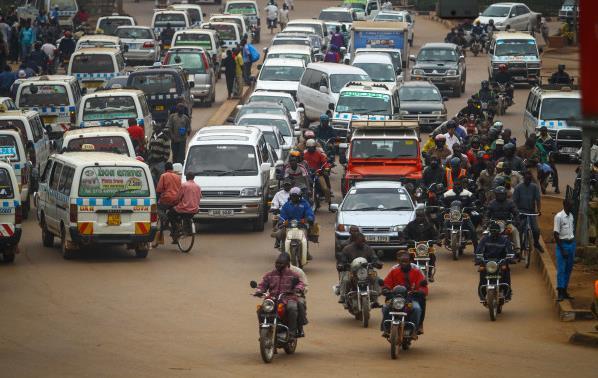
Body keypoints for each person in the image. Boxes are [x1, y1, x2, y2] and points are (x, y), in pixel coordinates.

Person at [254, 253, 305, 339]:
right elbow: (262, 285)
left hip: (288, 298)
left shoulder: (293, 275)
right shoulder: (269, 275)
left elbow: (300, 283)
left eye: (281, 263)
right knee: (261, 310)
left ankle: (292, 333)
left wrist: (298, 289)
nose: (278, 265)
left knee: (292, 308)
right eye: (277, 263)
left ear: (287, 264)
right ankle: (262, 333)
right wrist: (259, 291)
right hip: (273, 299)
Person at [381, 251, 427, 335]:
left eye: (406, 261)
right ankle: (386, 328)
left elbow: (423, 286)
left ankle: (413, 329)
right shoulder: (394, 272)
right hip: (396, 298)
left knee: (417, 309)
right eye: (402, 261)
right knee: (385, 308)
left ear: (410, 261)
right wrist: (385, 289)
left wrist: (420, 291)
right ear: (399, 262)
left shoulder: (416, 272)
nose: (404, 263)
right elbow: (386, 283)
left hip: (411, 298)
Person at [336, 233, 382, 304]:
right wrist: (342, 264)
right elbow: (342, 260)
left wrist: (377, 263)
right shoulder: (347, 249)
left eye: (362, 241)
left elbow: (374, 258)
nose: (361, 242)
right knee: (345, 278)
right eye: (358, 241)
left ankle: (375, 298)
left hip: (366, 271)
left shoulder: (368, 249)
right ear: (354, 241)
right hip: (351, 271)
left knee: (376, 277)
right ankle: (342, 296)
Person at [475, 221, 513, 300]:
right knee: (482, 274)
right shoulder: (485, 239)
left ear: (499, 231)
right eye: (492, 231)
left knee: (506, 271)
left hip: (500, 261)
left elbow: (510, 252)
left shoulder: (505, 240)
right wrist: (478, 259)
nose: (494, 233)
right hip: (487, 262)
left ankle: (507, 293)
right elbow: (478, 251)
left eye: (496, 231)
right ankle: (482, 295)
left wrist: (509, 258)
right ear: (490, 231)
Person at [401, 206, 439, 281]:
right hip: (413, 247)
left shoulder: (430, 225)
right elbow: (405, 233)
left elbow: (435, 234)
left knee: (432, 256)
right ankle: (406, 273)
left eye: (421, 216)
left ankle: (430, 273)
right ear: (416, 216)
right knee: (406, 258)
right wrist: (404, 239)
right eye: (418, 216)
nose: (420, 218)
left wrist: (437, 240)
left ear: (424, 216)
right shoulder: (410, 225)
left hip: (426, 248)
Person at [513, 170, 544, 252]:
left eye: (529, 179)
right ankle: (518, 248)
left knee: (536, 230)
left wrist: (539, 210)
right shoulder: (518, 187)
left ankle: (536, 243)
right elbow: (514, 202)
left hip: (531, 212)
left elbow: (538, 200)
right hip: (521, 211)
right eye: (526, 179)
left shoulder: (534, 187)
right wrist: (517, 212)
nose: (528, 180)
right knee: (520, 228)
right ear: (523, 178)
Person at [275, 187, 315, 252]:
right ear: (290, 196)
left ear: (300, 196)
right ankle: (282, 248)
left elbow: (309, 212)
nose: (294, 198)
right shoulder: (286, 205)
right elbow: (283, 215)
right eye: (292, 196)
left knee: (305, 236)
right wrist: (281, 221)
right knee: (280, 233)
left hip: (301, 225)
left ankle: (306, 252)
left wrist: (309, 218)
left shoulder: (305, 204)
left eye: (296, 196)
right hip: (288, 225)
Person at [443, 180, 478, 249]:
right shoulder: (447, 194)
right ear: (453, 185)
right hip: (452, 215)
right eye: (455, 184)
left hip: (464, 215)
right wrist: (444, 207)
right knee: (444, 225)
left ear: (462, 185)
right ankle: (446, 239)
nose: (457, 186)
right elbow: (441, 201)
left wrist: (472, 206)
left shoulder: (468, 193)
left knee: (473, 230)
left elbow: (473, 201)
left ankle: (476, 249)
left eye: (459, 184)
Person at [487, 186, 520, 254]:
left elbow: (515, 212)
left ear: (505, 194)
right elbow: (487, 214)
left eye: (502, 194)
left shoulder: (510, 203)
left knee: (514, 230)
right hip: (494, 224)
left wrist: (517, 220)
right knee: (486, 233)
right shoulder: (492, 203)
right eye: (499, 194)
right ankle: (484, 249)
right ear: (496, 195)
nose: (500, 196)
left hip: (507, 224)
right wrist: (486, 221)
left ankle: (517, 249)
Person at [168, 172, 201, 242]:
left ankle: (176, 227)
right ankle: (185, 228)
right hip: (195, 209)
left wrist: (173, 202)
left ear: (186, 178)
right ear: (193, 178)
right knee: (186, 216)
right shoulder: (198, 186)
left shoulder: (184, 185)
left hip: (184, 208)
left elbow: (178, 197)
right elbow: (200, 197)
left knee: (170, 214)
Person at [554, 200, 575, 301]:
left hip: (571, 244)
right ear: (565, 204)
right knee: (561, 269)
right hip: (563, 244)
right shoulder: (559, 217)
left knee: (569, 269)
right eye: (570, 204)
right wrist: (562, 250)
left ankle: (565, 290)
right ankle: (560, 292)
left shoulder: (571, 216)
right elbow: (556, 234)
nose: (572, 206)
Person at [303, 139, 332, 209]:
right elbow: (302, 163)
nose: (310, 149)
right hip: (308, 175)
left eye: (312, 147)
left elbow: (325, 162)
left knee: (325, 188)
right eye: (309, 147)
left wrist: (326, 168)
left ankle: (330, 204)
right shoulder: (304, 154)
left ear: (315, 147)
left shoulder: (319, 154)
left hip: (318, 174)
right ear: (307, 147)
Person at [538, 126, 560, 194]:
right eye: (542, 131)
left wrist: (553, 153)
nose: (543, 132)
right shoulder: (538, 139)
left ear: (546, 131)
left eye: (544, 131)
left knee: (554, 170)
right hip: (539, 159)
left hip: (548, 159)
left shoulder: (550, 140)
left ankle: (556, 187)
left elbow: (555, 149)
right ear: (540, 131)